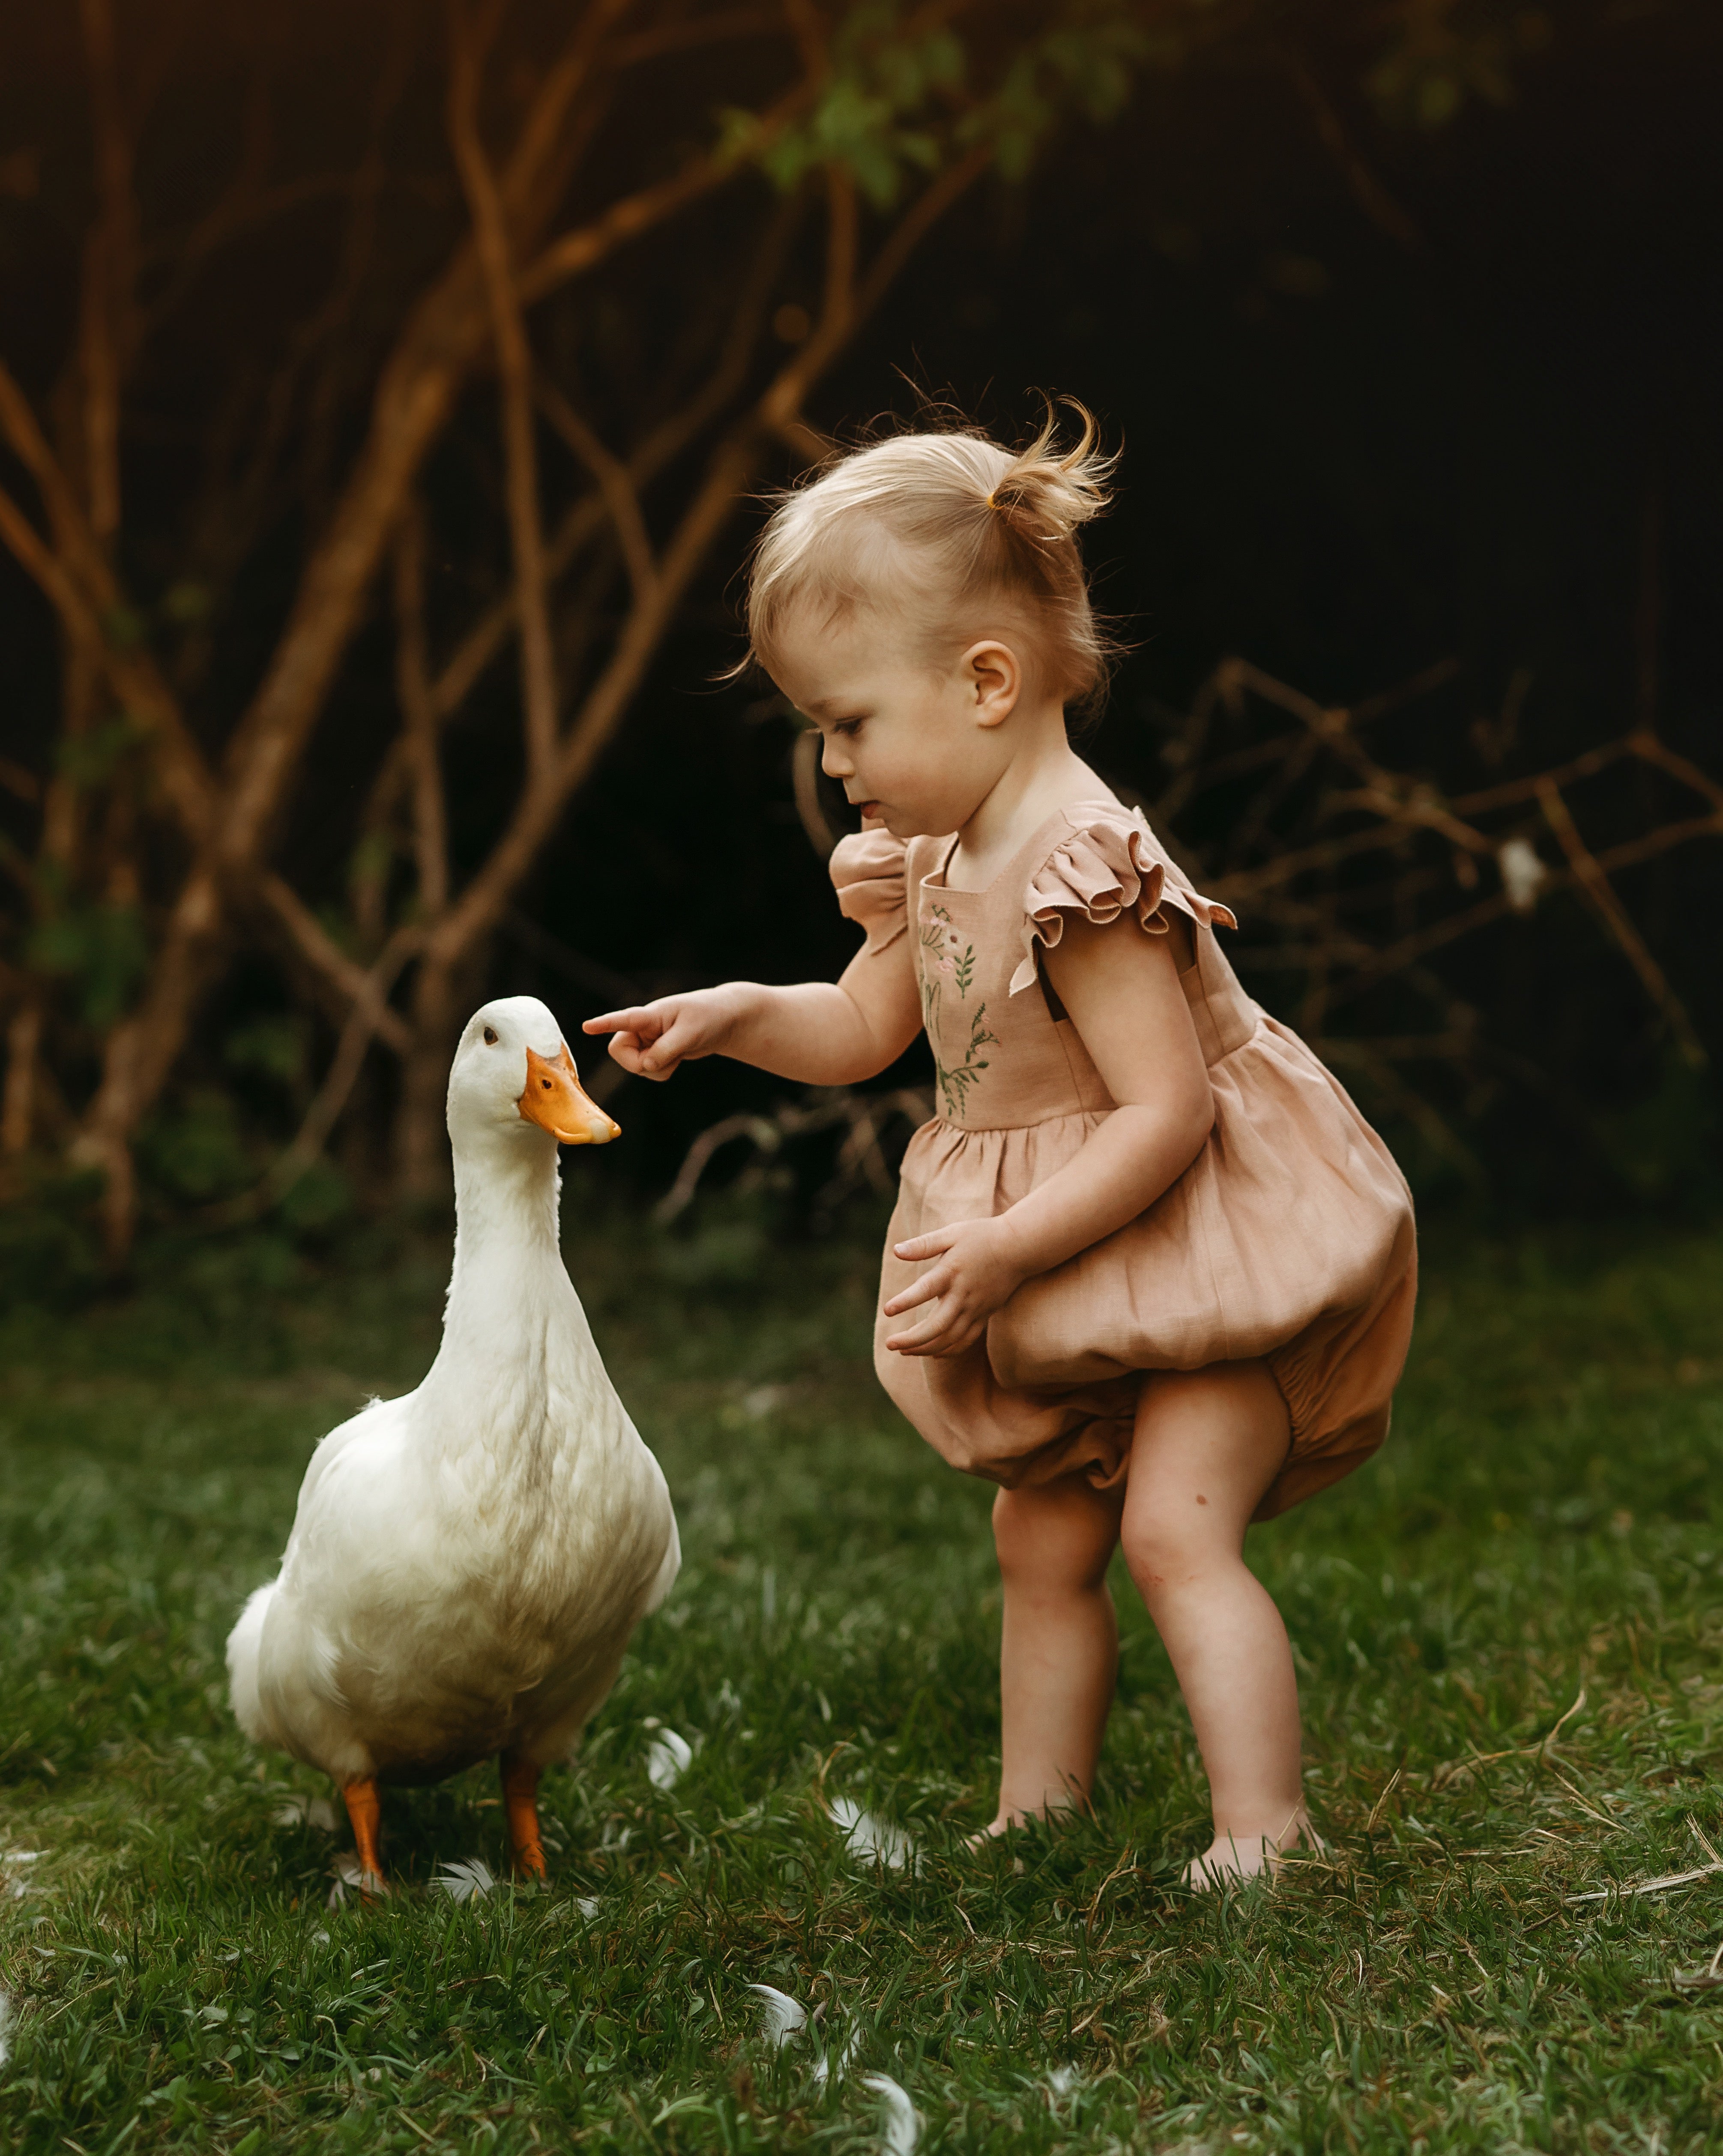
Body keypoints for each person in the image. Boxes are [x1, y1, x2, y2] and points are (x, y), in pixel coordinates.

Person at [585, 404, 1416, 1884]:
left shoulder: (1076, 870)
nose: (835, 763)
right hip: (1066, 1251)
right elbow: (860, 1028)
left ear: (985, 682)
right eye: (821, 729)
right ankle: (1040, 1811)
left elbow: (1166, 1118)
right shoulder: (942, 849)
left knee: (1174, 1529)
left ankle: (1267, 1835)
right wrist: (736, 1014)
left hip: (1198, 1237)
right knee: (1041, 1541)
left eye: (850, 722)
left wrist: (1005, 1249)